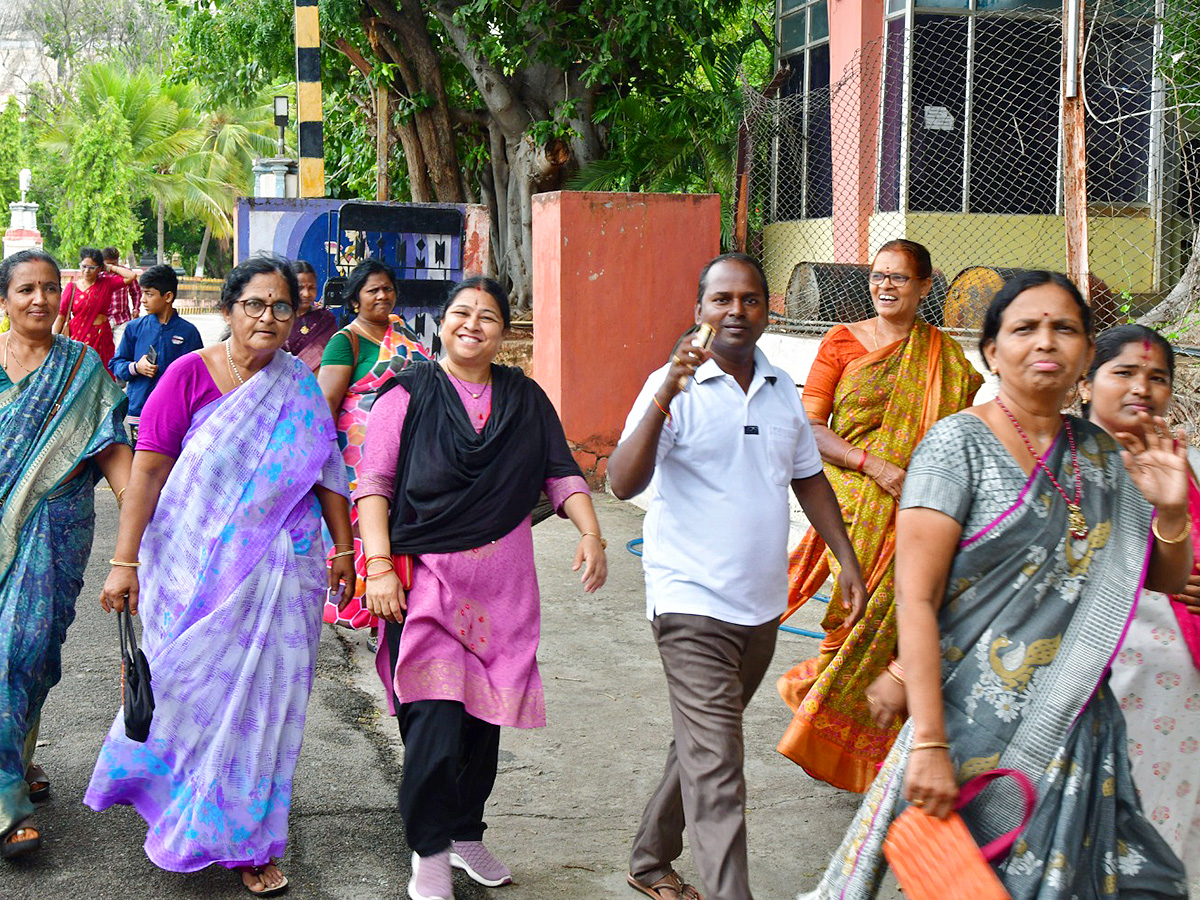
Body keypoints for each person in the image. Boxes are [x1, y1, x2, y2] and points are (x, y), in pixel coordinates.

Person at [801, 271, 1191, 900]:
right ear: (991, 351)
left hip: (1076, 723)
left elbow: (1158, 581)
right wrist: (926, 740)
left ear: (1087, 355)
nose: (1046, 342)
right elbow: (917, 601)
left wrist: (1170, 515)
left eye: (1065, 328)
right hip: (965, 723)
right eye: (1025, 328)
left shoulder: (1100, 454)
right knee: (968, 883)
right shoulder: (956, 446)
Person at [84, 255, 355, 897]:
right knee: (185, 692)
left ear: (296, 316)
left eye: (282, 307)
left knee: (262, 708)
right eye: (255, 304)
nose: (269, 317)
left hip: (281, 575)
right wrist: (125, 563)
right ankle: (180, 802)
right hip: (190, 570)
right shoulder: (187, 376)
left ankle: (247, 841)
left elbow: (328, 473)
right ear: (229, 309)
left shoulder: (297, 386)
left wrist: (345, 551)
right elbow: (147, 472)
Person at [609, 252, 867, 900]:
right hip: (689, 604)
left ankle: (648, 859)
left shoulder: (782, 388)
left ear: (766, 309)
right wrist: (668, 389)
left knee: (702, 748)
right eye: (721, 299)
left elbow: (808, 476)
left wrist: (846, 557)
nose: (735, 311)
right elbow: (621, 482)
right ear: (699, 311)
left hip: (760, 610)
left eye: (749, 299)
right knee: (720, 766)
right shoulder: (669, 387)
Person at [355, 276, 607, 900]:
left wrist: (592, 532)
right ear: (441, 322)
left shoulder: (524, 399)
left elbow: (560, 470)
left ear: (503, 331)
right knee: (436, 725)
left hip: (503, 598)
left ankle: (466, 831)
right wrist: (379, 566)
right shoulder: (406, 393)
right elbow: (374, 484)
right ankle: (431, 854)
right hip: (428, 592)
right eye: (461, 313)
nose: (473, 324)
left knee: (480, 728)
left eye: (487, 316)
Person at [776, 240, 983, 792]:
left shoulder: (944, 355)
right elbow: (809, 429)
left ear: (923, 286)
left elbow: (964, 432)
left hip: (918, 495)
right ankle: (829, 692)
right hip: (853, 487)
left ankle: (845, 704)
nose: (885, 286)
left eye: (898, 277)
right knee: (866, 566)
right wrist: (874, 466)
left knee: (925, 574)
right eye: (878, 276)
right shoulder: (842, 343)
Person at [0, 248, 132, 859]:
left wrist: (142, 539)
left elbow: (117, 463)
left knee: (29, 654)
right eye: (25, 289)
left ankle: (15, 762)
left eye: (50, 289)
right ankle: (6, 800)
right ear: (4, 300)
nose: (39, 299)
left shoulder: (83, 370)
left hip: (56, 533)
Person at [1083, 324, 1200, 871]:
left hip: (1174, 693)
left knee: (1160, 833)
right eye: (1124, 372)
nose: (1142, 388)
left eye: (1157, 377)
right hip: (1088, 680)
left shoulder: (1180, 467)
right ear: (1085, 383)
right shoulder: (1059, 461)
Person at [317, 259, 428, 632]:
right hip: (358, 458)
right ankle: (363, 611)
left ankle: (396, 606)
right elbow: (325, 406)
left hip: (410, 453)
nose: (382, 295)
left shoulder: (404, 331)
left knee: (399, 530)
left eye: (387, 288)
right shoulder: (343, 342)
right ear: (355, 300)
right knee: (365, 530)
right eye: (372, 290)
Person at [109, 264, 203, 445]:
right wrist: (136, 367)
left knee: (170, 463)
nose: (143, 299)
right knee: (140, 461)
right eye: (142, 293)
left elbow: (198, 378)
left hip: (174, 414)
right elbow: (116, 364)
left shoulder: (189, 333)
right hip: (139, 411)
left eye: (149, 294)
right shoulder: (134, 328)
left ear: (168, 296)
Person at [52, 247, 136, 369]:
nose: (87, 271)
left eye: (92, 268)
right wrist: (53, 338)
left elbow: (131, 276)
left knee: (102, 371)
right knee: (79, 371)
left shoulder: (106, 283)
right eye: (84, 266)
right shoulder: (72, 288)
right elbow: (61, 315)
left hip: (101, 337)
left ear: (99, 269)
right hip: (78, 337)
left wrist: (109, 267)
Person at [280, 260, 336, 372]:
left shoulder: (324, 320)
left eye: (311, 288)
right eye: (300, 288)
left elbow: (329, 358)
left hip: (313, 383)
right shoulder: (277, 318)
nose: (306, 294)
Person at [102, 246, 141, 330]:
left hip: (122, 320)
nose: (111, 267)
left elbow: (136, 292)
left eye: (113, 264)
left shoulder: (126, 274)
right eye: (108, 264)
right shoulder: (99, 275)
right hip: (103, 320)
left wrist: (136, 309)